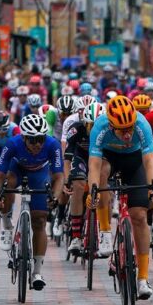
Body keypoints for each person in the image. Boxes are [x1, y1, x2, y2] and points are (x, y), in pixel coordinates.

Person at [87, 95, 153, 300]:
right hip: (109, 158)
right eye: (122, 130)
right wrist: (93, 190)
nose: (128, 134)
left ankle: (143, 278)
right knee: (101, 173)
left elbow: (149, 161)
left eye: (130, 129)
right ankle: (106, 233)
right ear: (111, 125)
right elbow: (93, 163)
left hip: (135, 161)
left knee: (139, 216)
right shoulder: (99, 128)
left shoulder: (141, 124)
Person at [0, 114, 64, 291]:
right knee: (7, 184)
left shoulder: (52, 144)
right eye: (32, 140)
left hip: (39, 174)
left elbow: (59, 176)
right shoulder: (13, 143)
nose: (37, 144)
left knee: (39, 220)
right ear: (24, 137)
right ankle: (8, 225)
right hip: (16, 171)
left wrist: (54, 197)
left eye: (40, 139)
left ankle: (37, 272)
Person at [63, 102, 102, 253]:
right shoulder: (76, 129)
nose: (92, 129)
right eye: (89, 125)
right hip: (81, 158)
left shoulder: (108, 131)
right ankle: (76, 236)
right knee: (78, 186)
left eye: (96, 125)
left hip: (100, 159)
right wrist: (67, 179)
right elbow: (67, 158)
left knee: (105, 187)